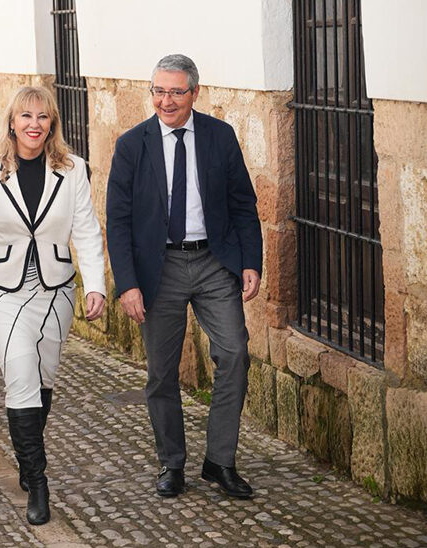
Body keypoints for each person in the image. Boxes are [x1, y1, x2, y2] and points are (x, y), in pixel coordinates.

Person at [106, 54, 262, 500]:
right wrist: (128, 282)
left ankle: (220, 461)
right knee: (161, 372)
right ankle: (171, 463)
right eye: (158, 90)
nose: (166, 100)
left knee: (234, 354)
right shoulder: (132, 145)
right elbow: (117, 220)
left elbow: (242, 205)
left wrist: (250, 261)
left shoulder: (220, 137)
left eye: (176, 91)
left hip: (214, 262)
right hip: (161, 268)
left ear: (195, 92)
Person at [0, 86, 106, 525]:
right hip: (1, 288)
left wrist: (94, 284)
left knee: (41, 379)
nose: (34, 125)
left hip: (56, 287)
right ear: (12, 122)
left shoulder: (74, 169)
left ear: (52, 123)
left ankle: (27, 457)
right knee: (19, 373)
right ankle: (38, 483)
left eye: (42, 117)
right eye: (25, 116)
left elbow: (86, 230)